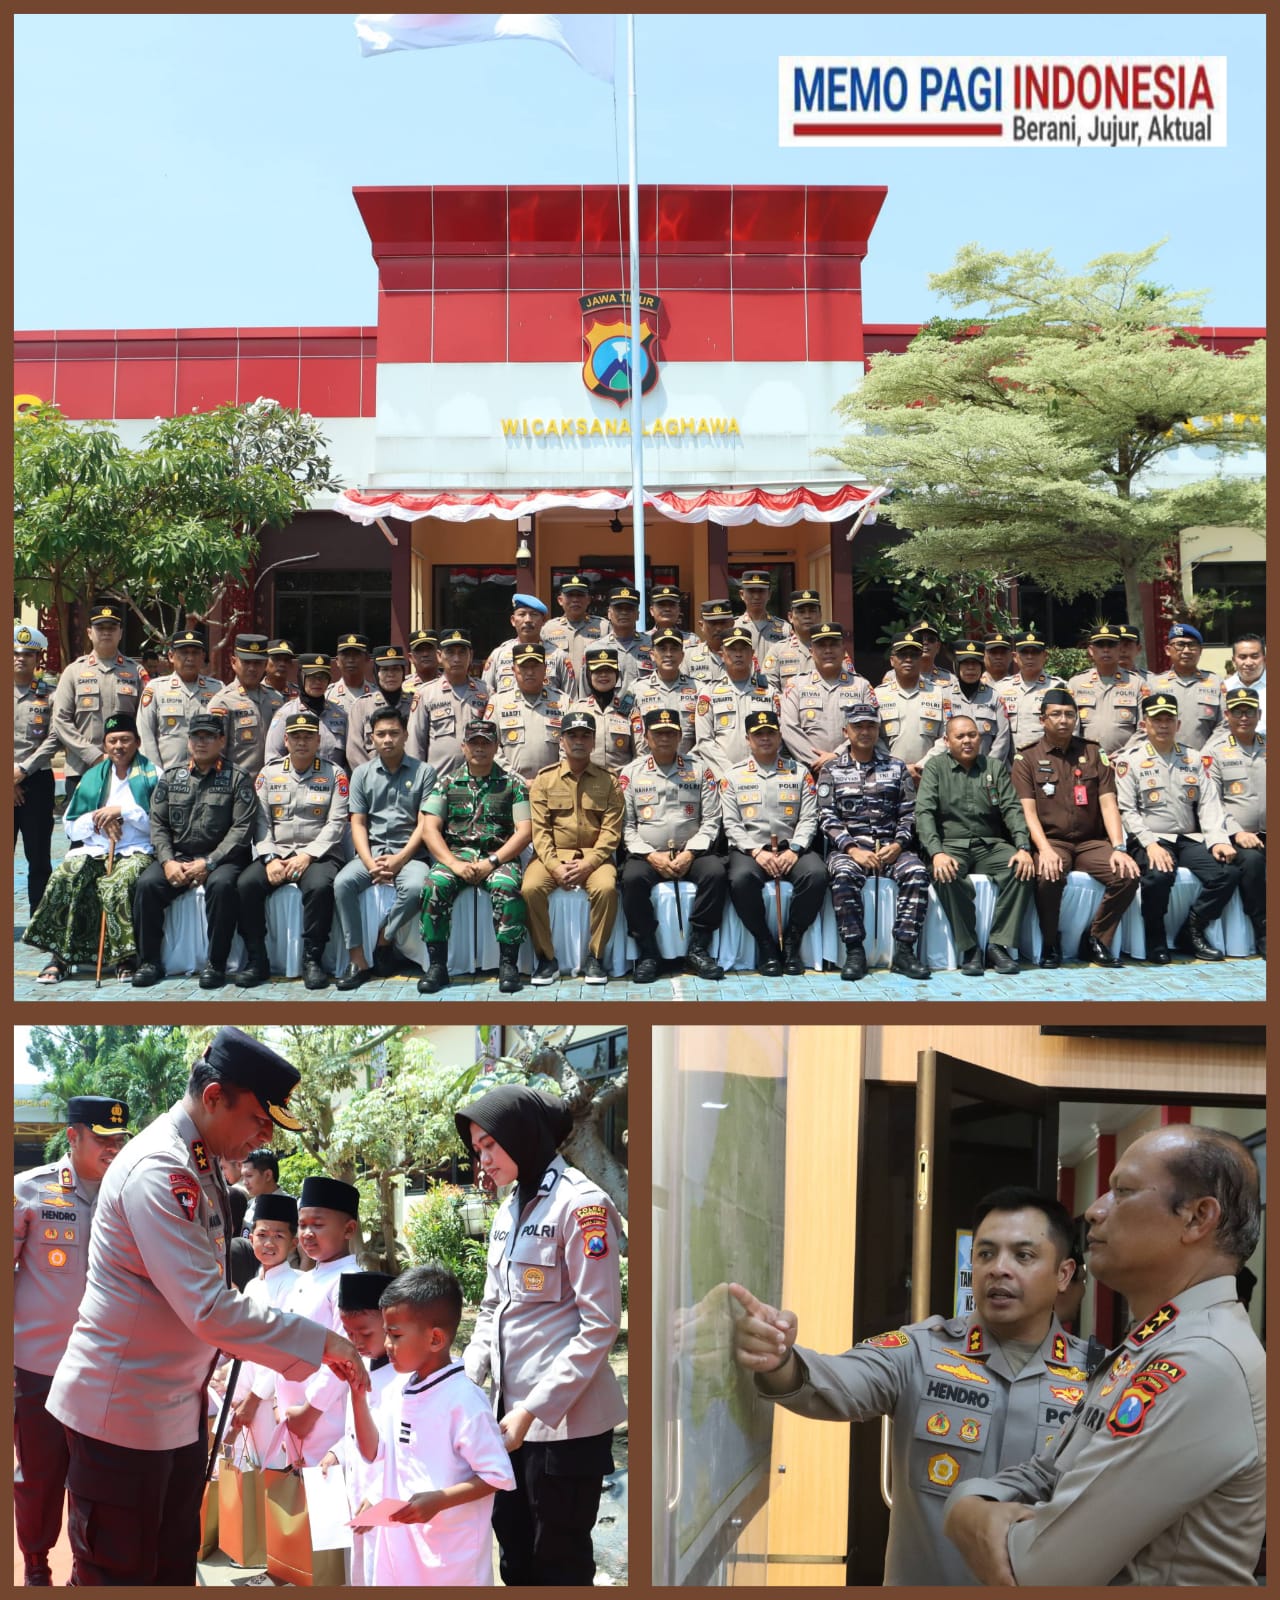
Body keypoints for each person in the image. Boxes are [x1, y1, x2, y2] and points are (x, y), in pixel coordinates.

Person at [45, 1029, 367, 1586]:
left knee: (170, 1568)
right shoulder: (160, 1170)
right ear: (214, 1096)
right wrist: (322, 1341)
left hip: (172, 1414)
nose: (263, 1137)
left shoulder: (200, 1161)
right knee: (117, 1573)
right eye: (258, 1121)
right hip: (121, 1417)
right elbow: (209, 1310)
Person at [943, 1127, 1265, 1587]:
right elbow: (1046, 1472)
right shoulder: (1149, 1344)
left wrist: (961, 1514)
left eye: (1123, 1192)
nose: (1094, 1212)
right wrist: (971, 1501)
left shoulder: (1202, 1362)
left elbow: (1040, 1573)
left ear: (1197, 1218)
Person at [732, 1187, 1089, 1586]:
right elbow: (835, 1381)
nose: (998, 1269)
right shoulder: (921, 1349)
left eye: (1023, 1255)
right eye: (986, 1253)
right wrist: (779, 1358)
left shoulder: (1098, 1378)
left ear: (1063, 1274)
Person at [457, 1085, 626, 1586]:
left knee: (558, 1562)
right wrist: (469, 1375)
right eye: (476, 1149)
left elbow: (601, 1325)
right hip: (507, 1422)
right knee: (512, 1553)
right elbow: (492, 1307)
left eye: (490, 1144)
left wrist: (532, 1409)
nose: (482, 1159)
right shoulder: (508, 1211)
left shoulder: (581, 1206)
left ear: (521, 1136)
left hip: (562, 1429)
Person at [13, 1095, 131, 1586]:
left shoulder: (127, 1193)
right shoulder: (29, 1190)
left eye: (119, 1140)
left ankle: (85, 1571)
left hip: (104, 1368)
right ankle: (37, 1565)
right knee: (39, 1478)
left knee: (98, 1479)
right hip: (40, 1365)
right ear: (73, 1136)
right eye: (101, 1138)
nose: (112, 1148)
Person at [344, 1266, 513, 1586]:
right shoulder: (397, 1389)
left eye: (395, 1334)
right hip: (399, 1550)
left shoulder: (464, 1400)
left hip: (448, 1558)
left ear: (435, 1338)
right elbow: (373, 1452)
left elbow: (498, 1476)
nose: (388, 1344)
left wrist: (440, 1499)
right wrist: (357, 1397)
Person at [24, 713, 158, 984]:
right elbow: (71, 826)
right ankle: (60, 957)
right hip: (96, 849)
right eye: (113, 741)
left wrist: (123, 812)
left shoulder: (154, 775)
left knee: (117, 882)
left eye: (125, 740)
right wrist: (99, 820)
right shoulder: (92, 777)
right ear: (105, 745)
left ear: (138, 742)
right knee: (66, 876)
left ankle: (124, 957)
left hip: (136, 849)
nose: (119, 746)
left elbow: (159, 825)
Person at [1011, 688, 1140, 969]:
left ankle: (1096, 939)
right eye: (1056, 714)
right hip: (1052, 840)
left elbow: (1108, 804)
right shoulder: (1026, 759)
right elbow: (1027, 813)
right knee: (1048, 875)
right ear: (1042, 719)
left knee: (1127, 874)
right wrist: (1043, 850)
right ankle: (1049, 942)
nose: (1063, 720)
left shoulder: (1093, 752)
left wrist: (1119, 848)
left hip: (1091, 841)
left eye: (1070, 715)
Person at [130, 712, 257, 989]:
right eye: (196, 737)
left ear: (221, 741)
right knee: (147, 885)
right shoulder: (171, 778)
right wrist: (166, 862)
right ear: (188, 742)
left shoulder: (237, 778)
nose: (202, 742)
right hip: (179, 856)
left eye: (209, 737)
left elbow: (241, 830)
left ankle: (216, 963)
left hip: (223, 859)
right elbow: (158, 824)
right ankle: (149, 961)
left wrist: (209, 863)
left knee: (222, 887)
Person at [1114, 691, 1238, 964]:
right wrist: (1150, 844)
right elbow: (1126, 810)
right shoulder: (1129, 761)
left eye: (1169, 719)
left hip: (1186, 837)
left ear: (1178, 724)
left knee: (1227, 872)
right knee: (1158, 877)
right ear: (1144, 724)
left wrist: (1217, 839)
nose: (1163, 725)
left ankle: (1191, 930)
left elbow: (1208, 803)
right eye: (1157, 720)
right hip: (1150, 837)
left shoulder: (1193, 759)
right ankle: (1155, 940)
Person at [256, 1175, 365, 1472]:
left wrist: (309, 1411)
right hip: (294, 1420)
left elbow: (344, 1357)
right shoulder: (305, 1279)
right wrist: (281, 1405)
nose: (307, 1233)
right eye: (302, 1225)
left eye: (317, 1225)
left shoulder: (349, 1281)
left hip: (326, 1422)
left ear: (348, 1229)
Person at [236, 708, 351, 990]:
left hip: (319, 855)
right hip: (277, 852)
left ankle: (312, 960)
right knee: (245, 884)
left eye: (308, 737)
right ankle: (256, 959)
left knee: (320, 888)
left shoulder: (335, 775)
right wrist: (271, 857)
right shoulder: (269, 773)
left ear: (318, 741)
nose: (302, 742)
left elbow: (336, 823)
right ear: (285, 741)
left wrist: (308, 855)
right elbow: (260, 820)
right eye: (296, 737)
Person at [817, 702, 931, 981]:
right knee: (843, 875)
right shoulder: (831, 769)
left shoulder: (896, 767)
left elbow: (908, 813)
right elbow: (826, 817)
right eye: (858, 726)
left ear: (878, 730)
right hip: (850, 849)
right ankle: (855, 951)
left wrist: (899, 845)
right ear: (847, 731)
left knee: (917, 872)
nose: (865, 731)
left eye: (870, 726)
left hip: (891, 848)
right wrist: (852, 849)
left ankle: (905, 950)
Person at [914, 714, 1036, 976]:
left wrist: (1023, 847)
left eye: (972, 735)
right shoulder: (936, 768)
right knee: (944, 874)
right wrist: (936, 853)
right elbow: (924, 813)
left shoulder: (993, 767)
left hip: (989, 844)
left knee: (1021, 869)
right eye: (960, 736)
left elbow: (1012, 809)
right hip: (952, 844)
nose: (967, 741)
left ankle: (998, 944)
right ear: (947, 741)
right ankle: (970, 948)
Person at [419, 719, 532, 996]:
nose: (479, 748)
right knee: (434, 885)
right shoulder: (446, 782)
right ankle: (437, 966)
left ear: (496, 746)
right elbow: (429, 829)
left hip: (498, 855)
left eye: (486, 742)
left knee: (508, 887)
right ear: (463, 746)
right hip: (456, 855)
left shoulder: (512, 783)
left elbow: (524, 831)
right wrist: (455, 864)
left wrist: (492, 862)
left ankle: (508, 964)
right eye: (474, 742)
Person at [618, 708, 726, 982]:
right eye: (658, 733)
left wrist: (691, 852)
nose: (665, 738)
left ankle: (698, 948)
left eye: (670, 733)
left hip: (692, 851)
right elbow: (627, 827)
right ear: (647, 737)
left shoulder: (700, 769)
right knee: (631, 879)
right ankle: (648, 952)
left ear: (680, 736)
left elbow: (712, 818)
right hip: (648, 854)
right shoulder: (630, 773)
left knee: (715, 872)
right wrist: (651, 856)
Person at [333, 703, 435, 989]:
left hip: (411, 854)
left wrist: (400, 861)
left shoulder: (425, 772)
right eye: (381, 734)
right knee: (342, 883)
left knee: (417, 887)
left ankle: (384, 939)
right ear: (371, 739)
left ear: (405, 736)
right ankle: (357, 959)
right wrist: (368, 863)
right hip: (372, 853)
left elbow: (424, 824)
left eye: (394, 733)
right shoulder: (361, 774)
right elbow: (358, 823)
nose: (387, 740)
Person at [720, 708, 824, 976]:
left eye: (770, 733)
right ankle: (765, 943)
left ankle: (792, 940)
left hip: (793, 847)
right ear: (748, 739)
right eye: (758, 734)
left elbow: (809, 817)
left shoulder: (799, 773)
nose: (765, 739)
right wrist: (756, 852)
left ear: (779, 736)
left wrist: (795, 849)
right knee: (741, 879)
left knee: (816, 875)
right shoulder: (733, 776)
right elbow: (731, 824)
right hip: (751, 849)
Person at [523, 711, 624, 986]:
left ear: (593, 742)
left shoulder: (609, 781)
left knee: (605, 888)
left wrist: (589, 864)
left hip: (595, 857)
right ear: (561, 740)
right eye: (572, 735)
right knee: (530, 889)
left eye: (585, 736)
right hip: (551, 856)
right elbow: (540, 831)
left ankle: (595, 957)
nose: (578, 741)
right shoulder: (544, 780)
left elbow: (611, 832)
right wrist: (555, 866)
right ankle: (546, 959)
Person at [319, 1270, 400, 1585]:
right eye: (349, 1334)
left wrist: (382, 1492)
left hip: (387, 1501)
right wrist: (336, 1452)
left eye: (364, 1334)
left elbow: (408, 1448)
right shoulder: (361, 1367)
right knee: (361, 1572)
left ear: (389, 1322)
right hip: (357, 1496)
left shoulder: (406, 1379)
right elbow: (355, 1430)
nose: (356, 1343)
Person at [223, 1192, 304, 1467]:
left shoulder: (296, 1285)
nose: (268, 1243)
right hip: (244, 1397)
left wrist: (254, 1399)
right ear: (251, 1237)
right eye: (262, 1234)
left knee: (271, 1475)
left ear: (293, 1242)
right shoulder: (253, 1286)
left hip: (269, 1400)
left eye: (279, 1236)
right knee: (242, 1477)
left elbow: (280, 1349)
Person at [49, 599, 143, 807]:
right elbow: (61, 720)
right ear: (89, 632)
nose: (106, 633)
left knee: (125, 832)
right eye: (100, 627)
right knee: (82, 833)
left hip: (127, 768)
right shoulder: (74, 672)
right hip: (82, 769)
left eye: (112, 628)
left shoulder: (135, 672)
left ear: (120, 633)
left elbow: (144, 720)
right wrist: (93, 756)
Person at [1200, 685, 1266, 956]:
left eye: (1249, 711)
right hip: (1236, 835)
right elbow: (1211, 802)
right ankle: (1263, 930)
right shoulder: (1214, 753)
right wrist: (1237, 833)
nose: (1243, 717)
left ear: (1259, 714)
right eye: (1237, 712)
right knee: (1252, 862)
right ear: (1226, 715)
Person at [778, 620, 873, 771]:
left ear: (843, 650)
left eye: (833, 645)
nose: (828, 650)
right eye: (821, 645)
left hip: (853, 770)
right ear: (811, 652)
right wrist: (817, 761)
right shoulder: (795, 686)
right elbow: (789, 729)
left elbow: (870, 727)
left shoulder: (862, 686)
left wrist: (838, 755)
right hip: (808, 771)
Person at [13, 622, 60, 917]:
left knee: (39, 857)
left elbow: (55, 738)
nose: (21, 658)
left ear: (37, 658)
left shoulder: (50, 694)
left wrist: (23, 771)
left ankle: (38, 920)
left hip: (37, 782)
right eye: (15, 653)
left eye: (28, 654)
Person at [692, 626, 778, 782]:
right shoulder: (709, 693)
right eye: (732, 649)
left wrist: (761, 769)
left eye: (743, 649)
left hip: (764, 776)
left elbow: (779, 735)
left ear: (752, 654)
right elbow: (704, 740)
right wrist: (730, 773)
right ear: (722, 655)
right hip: (723, 778)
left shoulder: (769, 692)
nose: (738, 654)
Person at [407, 626, 490, 779]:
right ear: (439, 655)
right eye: (450, 652)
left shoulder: (486, 692)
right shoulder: (426, 694)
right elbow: (415, 745)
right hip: (439, 785)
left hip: (481, 784)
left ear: (470, 655)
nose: (456, 659)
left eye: (462, 652)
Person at [137, 626, 223, 772]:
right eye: (184, 653)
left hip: (209, 778)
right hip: (166, 776)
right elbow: (145, 735)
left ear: (203, 656)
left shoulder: (218, 689)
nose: (190, 658)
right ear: (171, 656)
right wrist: (155, 774)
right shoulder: (156, 689)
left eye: (195, 653)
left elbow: (224, 735)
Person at [871, 631, 954, 781]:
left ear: (921, 659)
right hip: (888, 775)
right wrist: (898, 767)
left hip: (929, 775)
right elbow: (873, 737)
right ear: (892, 660)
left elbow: (947, 736)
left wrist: (922, 766)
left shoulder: (939, 694)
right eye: (902, 655)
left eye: (914, 654)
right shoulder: (878, 695)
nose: (908, 659)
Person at [485, 641, 570, 783]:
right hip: (509, 785)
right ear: (513, 670)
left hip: (554, 785)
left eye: (535, 666)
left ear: (545, 669)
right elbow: (490, 746)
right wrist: (516, 779)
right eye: (524, 667)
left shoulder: (563, 702)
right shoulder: (498, 702)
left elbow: (569, 746)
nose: (530, 672)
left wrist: (554, 779)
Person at [208, 632, 284, 776]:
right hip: (236, 786)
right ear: (233, 662)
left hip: (272, 786)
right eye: (246, 662)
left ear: (266, 664)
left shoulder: (277, 699)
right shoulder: (222, 702)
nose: (252, 668)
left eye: (257, 663)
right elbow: (214, 754)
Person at [928, 639, 1012, 765]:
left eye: (975, 663)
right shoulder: (943, 695)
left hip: (986, 771)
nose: (971, 668)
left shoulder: (995, 697)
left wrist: (990, 769)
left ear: (982, 666)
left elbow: (1002, 740)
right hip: (950, 770)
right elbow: (938, 737)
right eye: (965, 663)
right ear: (957, 666)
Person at [1067, 622, 1147, 754]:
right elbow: (1071, 727)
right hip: (1087, 761)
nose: (1106, 650)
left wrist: (1122, 755)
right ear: (1091, 650)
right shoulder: (1075, 684)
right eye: (1100, 645)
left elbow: (1144, 728)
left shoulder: (1137, 683)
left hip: (1126, 760)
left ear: (1119, 648)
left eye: (1111, 645)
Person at [1144, 621, 1225, 750]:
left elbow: (1224, 724)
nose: (1186, 651)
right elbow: (1144, 726)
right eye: (1180, 645)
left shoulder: (1215, 683)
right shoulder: (1154, 684)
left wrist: (1207, 752)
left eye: (1192, 645)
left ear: (1200, 651)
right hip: (1165, 760)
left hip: (1205, 760)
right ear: (1168, 650)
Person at [264, 651, 350, 770]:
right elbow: (272, 759)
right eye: (312, 677)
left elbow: (348, 760)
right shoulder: (286, 714)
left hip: (333, 784)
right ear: (301, 677)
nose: (318, 682)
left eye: (323, 677)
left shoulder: (341, 715)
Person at [483, 594, 575, 698]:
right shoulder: (498, 655)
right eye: (522, 614)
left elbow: (570, 700)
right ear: (513, 620)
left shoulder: (559, 656)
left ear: (543, 620)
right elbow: (486, 695)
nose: (528, 620)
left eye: (534, 614)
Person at [343, 642, 416, 770]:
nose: (391, 674)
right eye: (385, 669)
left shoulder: (415, 703)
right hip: (373, 781)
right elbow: (354, 751)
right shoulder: (361, 706)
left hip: (411, 778)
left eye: (396, 669)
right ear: (376, 672)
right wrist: (372, 777)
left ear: (403, 673)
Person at [630, 626, 699, 756]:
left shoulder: (699, 689)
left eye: (674, 649)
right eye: (662, 649)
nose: (668, 654)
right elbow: (626, 731)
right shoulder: (636, 689)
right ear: (652, 655)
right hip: (647, 768)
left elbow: (704, 736)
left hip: (689, 768)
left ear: (682, 655)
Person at [995, 627, 1065, 752]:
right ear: (1015, 657)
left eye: (1035, 652)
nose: (1029, 657)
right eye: (1024, 652)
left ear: (1044, 656)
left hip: (1048, 762)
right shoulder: (1000, 688)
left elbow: (1070, 729)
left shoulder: (1058, 687)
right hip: (1011, 765)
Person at [570, 645, 637, 771]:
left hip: (620, 784)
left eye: (609, 670)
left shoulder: (629, 710)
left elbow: (639, 753)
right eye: (597, 671)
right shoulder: (576, 709)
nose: (603, 675)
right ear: (589, 675)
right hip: (586, 784)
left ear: (617, 674)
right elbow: (565, 752)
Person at [541, 575, 606, 683]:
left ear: (589, 599)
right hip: (558, 695)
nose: (575, 600)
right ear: (560, 600)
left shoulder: (603, 627)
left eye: (580, 595)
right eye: (570, 595)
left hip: (591, 695)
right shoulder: (548, 629)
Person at [762, 588, 825, 692]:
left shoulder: (832, 649)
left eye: (812, 611)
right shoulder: (777, 651)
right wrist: (788, 705)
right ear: (790, 617)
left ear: (820, 615)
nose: (807, 616)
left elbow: (847, 683)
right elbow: (767, 687)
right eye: (801, 612)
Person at [599, 582, 652, 689]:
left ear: (637, 615)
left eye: (629, 609)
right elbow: (587, 693)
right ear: (609, 613)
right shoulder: (596, 648)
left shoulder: (653, 645)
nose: (624, 613)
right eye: (618, 608)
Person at [733, 568, 791, 658]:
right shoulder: (733, 626)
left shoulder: (784, 628)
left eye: (761, 591)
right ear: (741, 594)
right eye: (751, 591)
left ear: (769, 594)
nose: (756, 596)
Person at [239, 1146, 294, 1233]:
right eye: (243, 1176)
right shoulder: (250, 1205)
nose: (244, 1182)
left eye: (249, 1176)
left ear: (268, 1175)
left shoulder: (292, 1207)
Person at [684, 597, 736, 684]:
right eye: (713, 623)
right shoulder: (688, 656)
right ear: (701, 625)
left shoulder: (744, 655)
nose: (719, 628)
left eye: (723, 622)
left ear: (732, 624)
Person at [1224, 631, 1266, 733]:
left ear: (1265, 659)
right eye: (1242, 657)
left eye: (1254, 656)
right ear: (1234, 660)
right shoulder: (1224, 687)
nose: (1248, 663)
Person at [327, 630, 376, 714]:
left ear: (367, 659)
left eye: (356, 655)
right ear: (337, 661)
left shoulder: (377, 695)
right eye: (346, 655)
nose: (351, 660)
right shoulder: (327, 695)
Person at [403, 627, 440, 692]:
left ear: (439, 654)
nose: (425, 654)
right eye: (419, 650)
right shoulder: (402, 687)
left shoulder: (451, 682)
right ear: (411, 658)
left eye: (429, 649)